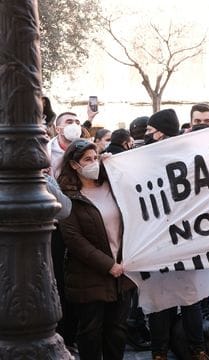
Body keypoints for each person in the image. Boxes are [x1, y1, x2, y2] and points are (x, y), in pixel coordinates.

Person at [57, 139, 135, 359]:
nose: (93, 163)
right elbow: (74, 239)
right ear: (74, 165)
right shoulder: (68, 195)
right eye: (87, 160)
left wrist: (117, 166)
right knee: (90, 332)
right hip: (89, 275)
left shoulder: (113, 185)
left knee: (117, 331)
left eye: (96, 157)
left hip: (122, 272)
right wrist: (108, 265)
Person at [144, 109, 209, 360]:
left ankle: (189, 348)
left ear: (160, 133)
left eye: (150, 131)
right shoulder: (144, 158)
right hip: (161, 242)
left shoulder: (187, 159)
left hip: (181, 239)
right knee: (171, 297)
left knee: (186, 297)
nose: (147, 135)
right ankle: (179, 349)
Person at [49, 112, 84, 177]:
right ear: (58, 129)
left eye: (77, 123)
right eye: (69, 122)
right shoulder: (47, 151)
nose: (75, 125)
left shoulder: (85, 149)